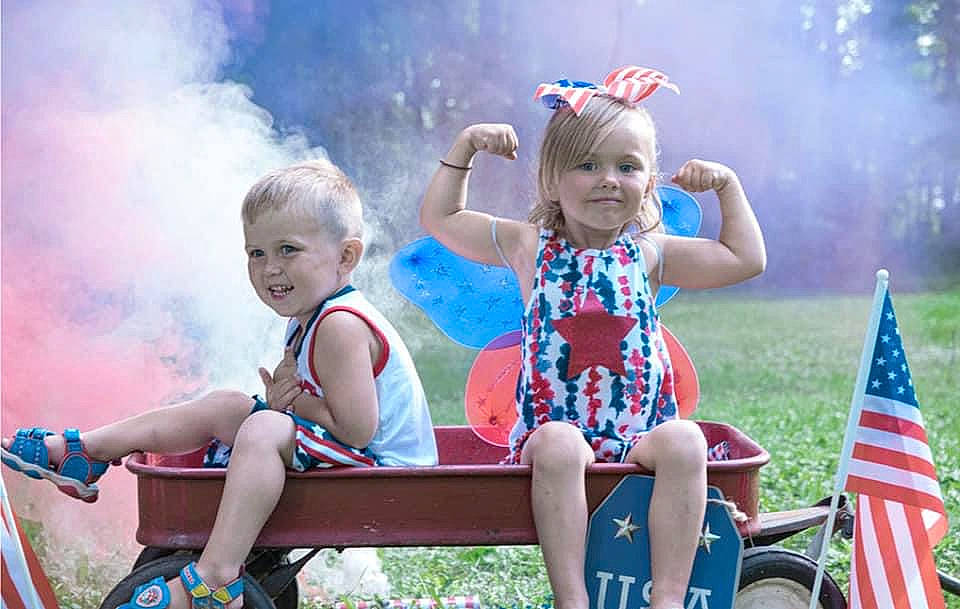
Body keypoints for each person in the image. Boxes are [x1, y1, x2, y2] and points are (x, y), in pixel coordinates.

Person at [2, 159, 438, 609]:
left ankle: (215, 581)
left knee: (262, 428)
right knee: (229, 406)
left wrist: (293, 405)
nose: (270, 268)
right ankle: (87, 451)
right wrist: (286, 404)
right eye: (257, 253)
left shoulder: (340, 326)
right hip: (359, 455)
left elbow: (358, 431)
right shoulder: (311, 317)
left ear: (346, 256)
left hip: (388, 469)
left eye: (288, 249)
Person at [419, 66, 765, 609]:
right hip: (553, 434)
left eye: (627, 166)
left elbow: (745, 259)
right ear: (552, 180)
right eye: (588, 165)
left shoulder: (650, 252)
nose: (609, 179)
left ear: (649, 182)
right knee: (559, 445)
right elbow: (442, 217)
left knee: (687, 441)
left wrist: (728, 186)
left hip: (639, 431)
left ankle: (668, 598)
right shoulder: (529, 246)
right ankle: (572, 598)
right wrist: (465, 147)